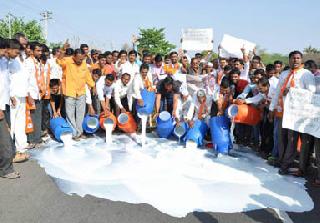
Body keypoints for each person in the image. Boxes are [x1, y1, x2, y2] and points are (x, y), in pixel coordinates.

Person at [269, 50, 316, 176]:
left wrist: (293, 91)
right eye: (293, 58)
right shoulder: (284, 74)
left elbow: (312, 92)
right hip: (284, 112)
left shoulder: (306, 74)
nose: (295, 60)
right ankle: (283, 162)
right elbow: (278, 92)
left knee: (298, 141)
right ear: (289, 60)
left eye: (298, 58)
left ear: (301, 60)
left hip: (301, 114)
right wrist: (271, 108)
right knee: (284, 139)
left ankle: (297, 167)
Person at [57, 48, 95, 141]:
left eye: (82, 59)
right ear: (74, 56)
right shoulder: (67, 61)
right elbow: (59, 61)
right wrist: (62, 50)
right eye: (78, 59)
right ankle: (74, 134)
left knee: (80, 114)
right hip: (70, 92)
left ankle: (79, 132)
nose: (80, 61)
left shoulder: (84, 64)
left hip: (81, 92)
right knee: (70, 114)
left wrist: (93, 86)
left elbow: (87, 76)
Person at [25, 41, 45, 148]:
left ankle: (37, 139)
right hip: (31, 94)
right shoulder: (27, 62)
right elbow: (26, 80)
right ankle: (32, 140)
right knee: (31, 118)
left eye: (41, 50)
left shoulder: (38, 62)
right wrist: (29, 95)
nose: (40, 52)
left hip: (38, 93)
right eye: (38, 50)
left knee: (38, 117)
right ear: (32, 51)